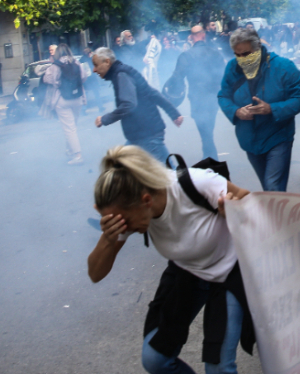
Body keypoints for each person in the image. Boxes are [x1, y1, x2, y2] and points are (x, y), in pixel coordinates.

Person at [87, 146, 255, 374]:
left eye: (126, 222)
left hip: (229, 272)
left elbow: (251, 203)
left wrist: (235, 210)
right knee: (155, 359)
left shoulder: (196, 183)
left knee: (219, 367)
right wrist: (108, 239)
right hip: (187, 273)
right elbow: (95, 274)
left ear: (146, 200)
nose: (125, 229)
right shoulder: (128, 207)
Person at [218, 28, 300, 191]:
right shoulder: (232, 68)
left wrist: (272, 108)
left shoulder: (283, 67)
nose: (242, 59)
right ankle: (276, 214)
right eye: (237, 55)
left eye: (246, 53)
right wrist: (236, 111)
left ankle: (275, 215)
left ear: (258, 47)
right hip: (249, 140)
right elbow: (223, 96)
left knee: (273, 186)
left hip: (278, 136)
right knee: (268, 188)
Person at [92, 47, 183, 163]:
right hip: (140, 134)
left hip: (147, 134)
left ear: (107, 62)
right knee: (126, 167)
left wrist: (104, 119)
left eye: (96, 65)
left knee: (170, 175)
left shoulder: (121, 75)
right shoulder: (123, 72)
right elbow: (152, 93)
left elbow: (129, 104)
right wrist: (173, 113)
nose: (94, 70)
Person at [164, 25, 227, 159]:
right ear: (203, 35)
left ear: (191, 37)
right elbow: (224, 75)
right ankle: (210, 161)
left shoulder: (186, 55)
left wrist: (170, 95)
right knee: (207, 132)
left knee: (206, 135)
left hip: (198, 99)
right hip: (214, 99)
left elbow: (177, 77)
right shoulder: (216, 53)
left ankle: (212, 162)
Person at [42, 44, 92, 165]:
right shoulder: (76, 63)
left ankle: (77, 155)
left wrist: (58, 83)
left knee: (69, 128)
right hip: (78, 99)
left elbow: (46, 79)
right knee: (72, 126)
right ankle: (70, 150)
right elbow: (84, 77)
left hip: (62, 100)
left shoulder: (55, 66)